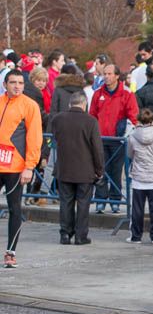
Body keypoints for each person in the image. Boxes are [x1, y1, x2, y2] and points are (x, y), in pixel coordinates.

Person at [49, 90, 102, 246]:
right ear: (84, 104)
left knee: (65, 202)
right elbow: (97, 149)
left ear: (69, 104)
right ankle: (81, 236)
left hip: (64, 168)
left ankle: (65, 234)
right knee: (83, 203)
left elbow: (55, 139)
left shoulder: (58, 119)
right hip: (85, 170)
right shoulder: (91, 121)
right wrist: (99, 170)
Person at [89, 63, 138, 213]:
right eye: (105, 73)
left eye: (110, 74)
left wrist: (128, 133)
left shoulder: (127, 93)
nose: (106, 76)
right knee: (100, 170)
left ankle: (115, 199)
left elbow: (134, 115)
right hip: (101, 138)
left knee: (116, 171)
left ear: (117, 76)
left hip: (118, 140)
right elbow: (92, 115)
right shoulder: (98, 93)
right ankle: (101, 200)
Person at [126, 109, 153, 245]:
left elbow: (129, 154)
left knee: (137, 209)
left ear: (139, 120)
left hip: (138, 177)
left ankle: (136, 236)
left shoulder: (133, 136)